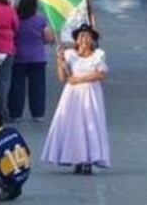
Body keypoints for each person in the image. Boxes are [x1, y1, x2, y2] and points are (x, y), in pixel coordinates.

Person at [41, 25, 110, 174]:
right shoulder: (70, 55)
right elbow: (63, 78)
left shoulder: (98, 55)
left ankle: (89, 159)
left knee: (89, 124)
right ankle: (76, 158)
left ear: (92, 40)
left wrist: (79, 80)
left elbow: (100, 74)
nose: (84, 40)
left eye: (87, 37)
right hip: (72, 96)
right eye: (81, 37)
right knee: (74, 125)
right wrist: (59, 62)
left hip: (90, 94)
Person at [9, 0, 54, 122]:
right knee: (38, 87)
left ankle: (16, 112)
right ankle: (37, 113)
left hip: (18, 56)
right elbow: (48, 37)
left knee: (17, 87)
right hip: (37, 57)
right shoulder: (40, 20)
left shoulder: (16, 19)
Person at [0, 111, 31, 200]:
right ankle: (15, 186)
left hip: (9, 178)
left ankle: (5, 189)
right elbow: (27, 151)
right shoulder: (13, 131)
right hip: (25, 173)